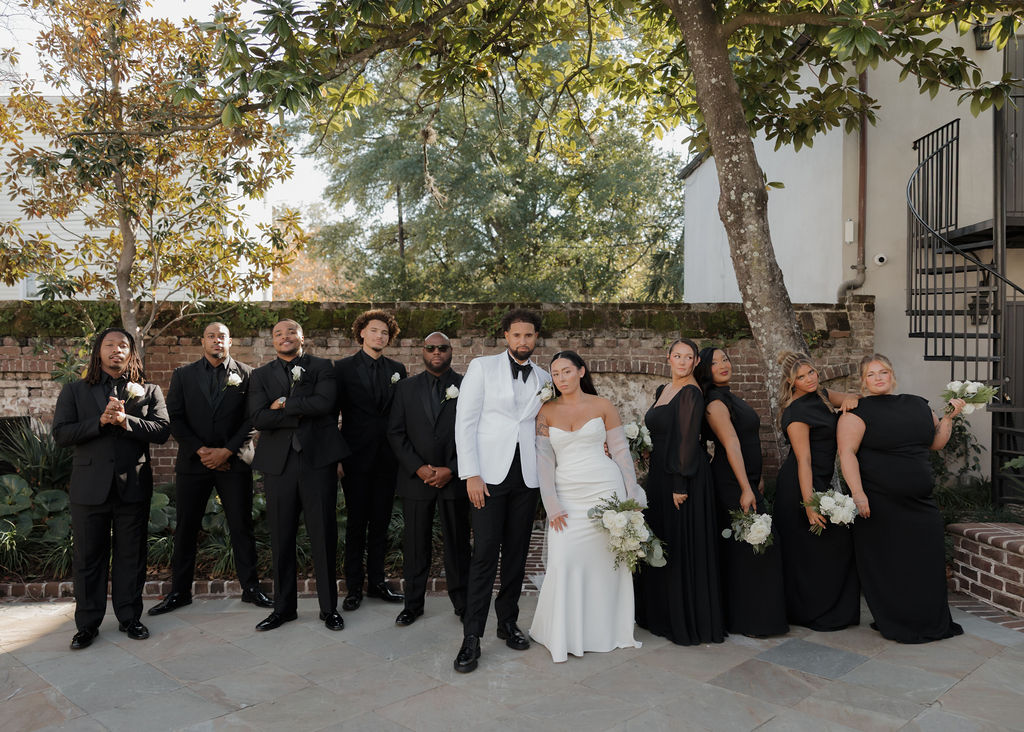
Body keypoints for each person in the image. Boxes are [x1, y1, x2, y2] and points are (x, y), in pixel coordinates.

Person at [53, 328, 170, 650]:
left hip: (132, 486)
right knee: (88, 559)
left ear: (131, 353)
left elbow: (162, 431)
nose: (116, 350)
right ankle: (87, 625)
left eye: (123, 345)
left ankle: (130, 617)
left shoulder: (148, 390)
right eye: (109, 345)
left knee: (131, 557)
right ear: (98, 352)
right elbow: (61, 434)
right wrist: (101, 422)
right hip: (89, 488)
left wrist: (125, 422)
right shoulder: (75, 391)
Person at [837, 354, 966, 643]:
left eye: (883, 371)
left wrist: (949, 417)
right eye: (871, 374)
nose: (879, 378)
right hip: (881, 504)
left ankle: (928, 620)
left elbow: (936, 443)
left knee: (925, 562)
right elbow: (847, 455)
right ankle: (897, 620)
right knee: (891, 565)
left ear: (892, 375)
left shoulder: (917, 404)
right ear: (863, 381)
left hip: (921, 503)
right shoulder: (856, 412)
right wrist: (858, 496)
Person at [150, 322, 272, 616]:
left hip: (233, 461)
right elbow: (175, 417)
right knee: (186, 528)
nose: (217, 340)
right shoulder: (183, 375)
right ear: (202, 341)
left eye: (222, 336)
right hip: (195, 462)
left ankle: (251, 588)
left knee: (241, 526)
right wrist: (201, 450)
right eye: (211, 336)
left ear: (231, 341)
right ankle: (179, 592)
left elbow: (252, 419)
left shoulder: (248, 374)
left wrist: (227, 450)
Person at [529, 351, 644, 662]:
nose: (561, 378)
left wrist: (632, 497)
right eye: (555, 374)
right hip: (566, 495)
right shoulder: (545, 411)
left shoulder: (602, 405)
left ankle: (605, 630)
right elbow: (544, 462)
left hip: (605, 490)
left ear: (581, 371)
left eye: (567, 371)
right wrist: (550, 503)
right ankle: (565, 632)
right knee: (565, 560)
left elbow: (621, 454)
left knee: (606, 563)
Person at [452, 308, 549, 673]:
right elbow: (466, 422)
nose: (523, 341)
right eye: (517, 335)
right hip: (488, 477)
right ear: (506, 336)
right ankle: (471, 637)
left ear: (536, 338)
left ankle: (507, 622)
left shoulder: (544, 376)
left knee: (517, 555)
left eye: (529, 335)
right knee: (484, 556)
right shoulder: (482, 367)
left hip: (527, 476)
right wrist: (471, 474)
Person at [248, 319, 350, 632]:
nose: (284, 337)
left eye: (290, 331)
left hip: (318, 462)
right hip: (278, 465)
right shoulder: (261, 375)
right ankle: (283, 608)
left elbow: (326, 403)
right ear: (273, 342)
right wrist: (298, 410)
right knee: (281, 537)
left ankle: (328, 608)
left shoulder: (322, 367)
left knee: (323, 535)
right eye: (278, 333)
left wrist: (284, 404)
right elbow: (258, 417)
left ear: (301, 336)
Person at [634, 338, 724, 646]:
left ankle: (684, 620)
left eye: (689, 357)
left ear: (696, 362)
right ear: (668, 358)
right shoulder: (663, 390)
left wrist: (680, 483)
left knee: (680, 546)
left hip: (682, 478)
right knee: (661, 543)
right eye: (677, 355)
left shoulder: (691, 393)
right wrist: (645, 450)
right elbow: (662, 431)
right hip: (660, 473)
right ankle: (659, 614)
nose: (683, 361)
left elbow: (687, 440)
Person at [695, 347, 788, 638]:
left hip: (746, 480)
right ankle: (750, 620)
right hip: (732, 483)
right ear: (705, 370)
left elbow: (749, 441)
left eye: (726, 359)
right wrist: (746, 487)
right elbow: (731, 444)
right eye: (714, 362)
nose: (723, 365)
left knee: (755, 548)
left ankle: (755, 616)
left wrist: (756, 479)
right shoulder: (714, 403)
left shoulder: (731, 397)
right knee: (752, 548)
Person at [387, 332, 471, 626]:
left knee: (458, 544)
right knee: (415, 544)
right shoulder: (406, 388)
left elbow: (477, 433)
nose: (437, 352)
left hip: (455, 479)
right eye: (431, 347)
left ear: (451, 351)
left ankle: (462, 603)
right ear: (422, 351)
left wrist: (452, 468)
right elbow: (395, 433)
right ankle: (413, 604)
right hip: (416, 480)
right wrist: (418, 468)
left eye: (443, 348)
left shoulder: (468, 386)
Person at [774, 351, 861, 631]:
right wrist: (809, 503)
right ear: (791, 381)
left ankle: (828, 610)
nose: (809, 378)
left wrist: (849, 400)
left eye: (811, 372)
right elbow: (804, 461)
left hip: (823, 482)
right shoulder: (796, 411)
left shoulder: (822, 394)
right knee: (809, 552)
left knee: (831, 548)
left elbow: (857, 399)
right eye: (801, 376)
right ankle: (808, 613)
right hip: (801, 486)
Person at [335, 309, 407, 611]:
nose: (380, 336)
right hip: (354, 458)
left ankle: (377, 582)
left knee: (380, 523)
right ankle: (354, 587)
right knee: (356, 523)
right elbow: (331, 416)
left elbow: (402, 415)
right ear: (362, 332)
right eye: (375, 330)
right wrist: (337, 457)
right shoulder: (342, 369)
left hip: (387, 460)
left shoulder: (398, 369)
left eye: (385, 333)